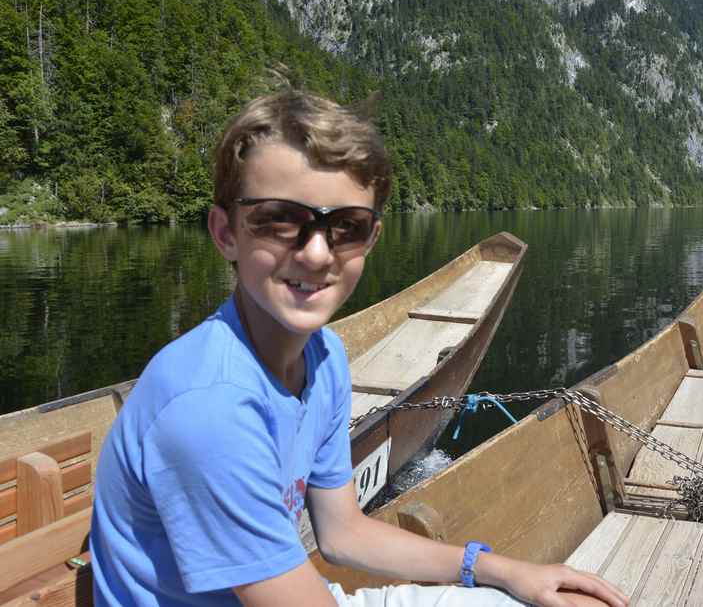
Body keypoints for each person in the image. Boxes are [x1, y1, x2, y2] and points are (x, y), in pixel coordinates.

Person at [89, 90, 628, 607]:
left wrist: (502, 570)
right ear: (225, 232)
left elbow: (342, 533)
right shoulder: (208, 409)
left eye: (346, 226)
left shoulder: (323, 358)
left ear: (370, 239)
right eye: (280, 219)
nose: (317, 253)